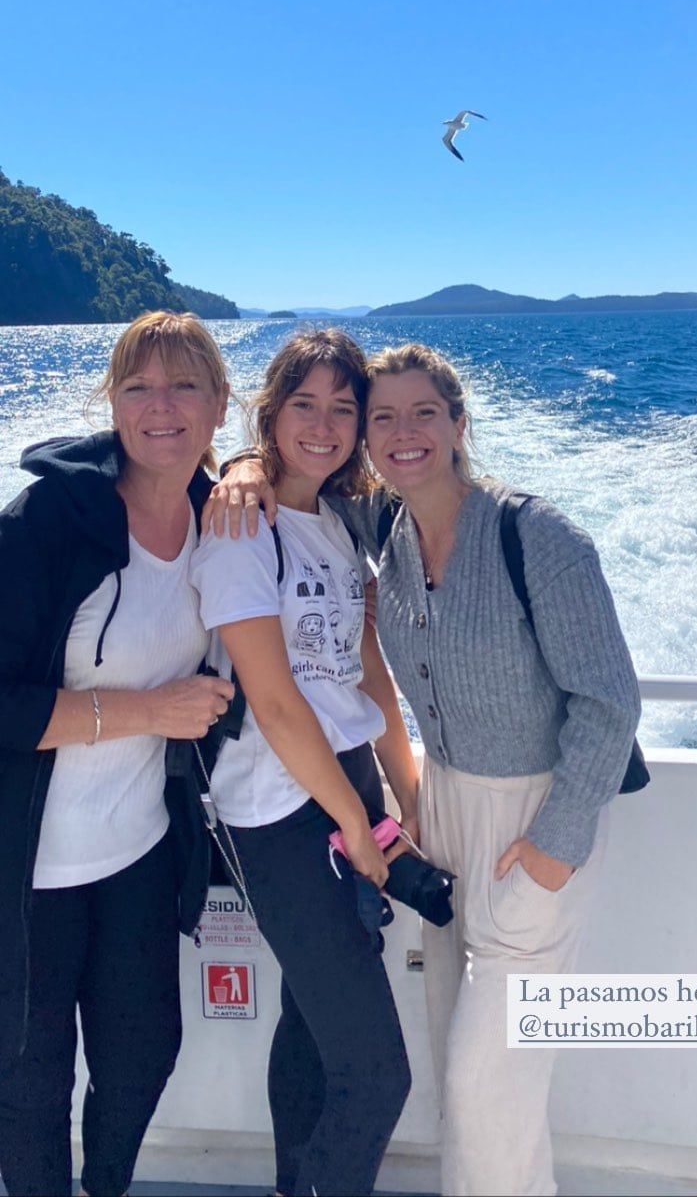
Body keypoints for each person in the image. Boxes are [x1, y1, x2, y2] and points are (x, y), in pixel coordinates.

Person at [211, 339, 643, 1197]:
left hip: (534, 823)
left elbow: (609, 703)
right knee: (459, 1064)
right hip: (436, 811)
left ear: (458, 424)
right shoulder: (381, 527)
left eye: (423, 414)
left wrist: (559, 842)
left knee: (486, 1088)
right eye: (382, 417)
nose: (399, 432)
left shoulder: (538, 536)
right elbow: (296, 485)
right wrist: (239, 464)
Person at [0, 311, 234, 1197]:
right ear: (112, 404)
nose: (159, 406)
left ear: (219, 405)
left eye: (183, 385)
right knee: (28, 1082)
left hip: (139, 851)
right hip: (28, 865)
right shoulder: (47, 523)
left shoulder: (226, 521)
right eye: (137, 386)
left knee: (141, 1058)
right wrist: (147, 710)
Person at [189, 330, 415, 1197]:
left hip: (347, 779)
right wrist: (356, 827)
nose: (322, 424)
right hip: (276, 811)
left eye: (342, 408)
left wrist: (404, 790)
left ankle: (296, 1182)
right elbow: (276, 702)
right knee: (378, 1074)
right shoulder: (239, 526)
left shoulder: (333, 521)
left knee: (315, 1027)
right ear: (272, 410)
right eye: (304, 403)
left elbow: (367, 673)